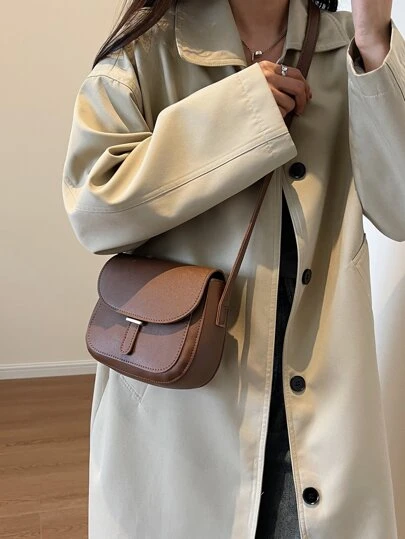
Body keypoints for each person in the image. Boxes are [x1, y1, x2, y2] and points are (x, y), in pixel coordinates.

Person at [61, 0, 405, 537]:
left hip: (318, 408)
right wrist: (240, 112)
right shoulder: (146, 54)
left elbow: (400, 209)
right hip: (183, 404)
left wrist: (374, 38)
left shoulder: (348, 51)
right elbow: (94, 211)